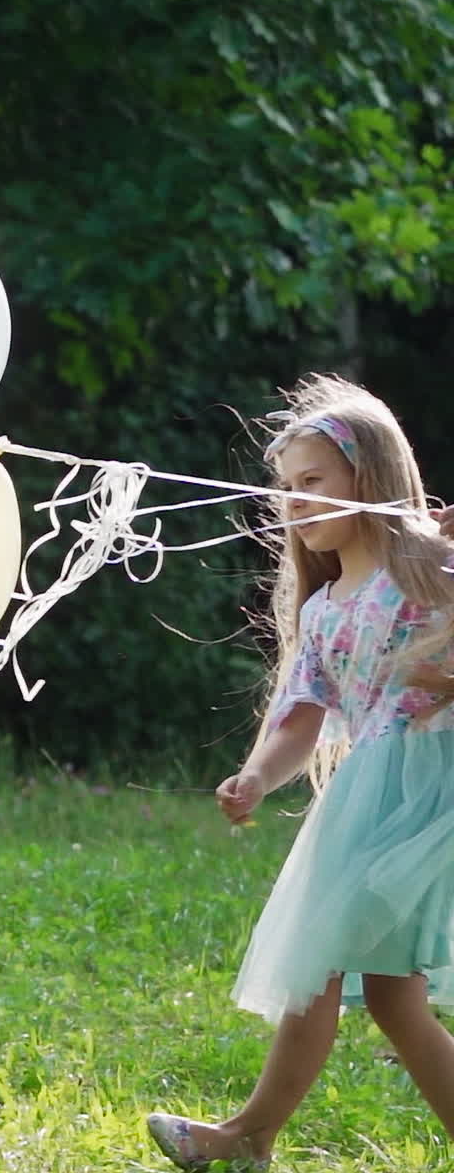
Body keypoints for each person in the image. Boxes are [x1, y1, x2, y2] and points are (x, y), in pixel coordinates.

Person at [147, 374, 454, 1171]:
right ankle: (250, 1134)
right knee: (390, 995)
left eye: (314, 481)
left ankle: (248, 1133)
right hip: (370, 796)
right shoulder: (323, 610)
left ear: (373, 478)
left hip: (429, 793)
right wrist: (254, 776)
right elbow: (302, 714)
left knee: (326, 969)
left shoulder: (431, 574)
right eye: (286, 488)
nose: (296, 501)